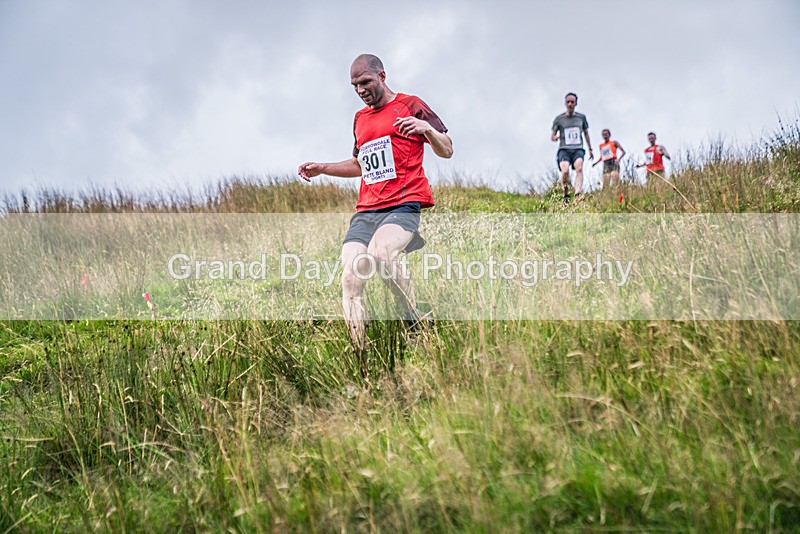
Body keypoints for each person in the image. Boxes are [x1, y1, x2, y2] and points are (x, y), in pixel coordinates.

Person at [298, 53, 453, 356]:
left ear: (382, 76)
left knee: (381, 254)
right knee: (350, 276)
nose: (360, 89)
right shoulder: (360, 118)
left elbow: (447, 149)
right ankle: (360, 356)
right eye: (354, 85)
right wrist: (323, 168)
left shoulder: (411, 105)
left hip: (403, 203)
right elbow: (359, 164)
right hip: (367, 209)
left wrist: (426, 130)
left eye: (365, 82)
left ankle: (414, 317)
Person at [551, 93, 593, 205]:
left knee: (579, 168)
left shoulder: (581, 118)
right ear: (565, 103)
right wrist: (555, 137)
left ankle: (578, 194)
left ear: (576, 103)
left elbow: (586, 133)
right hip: (564, 149)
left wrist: (590, 148)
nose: (570, 104)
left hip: (578, 149)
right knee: (565, 171)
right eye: (568, 102)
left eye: (572, 102)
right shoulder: (559, 119)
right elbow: (552, 135)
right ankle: (566, 196)